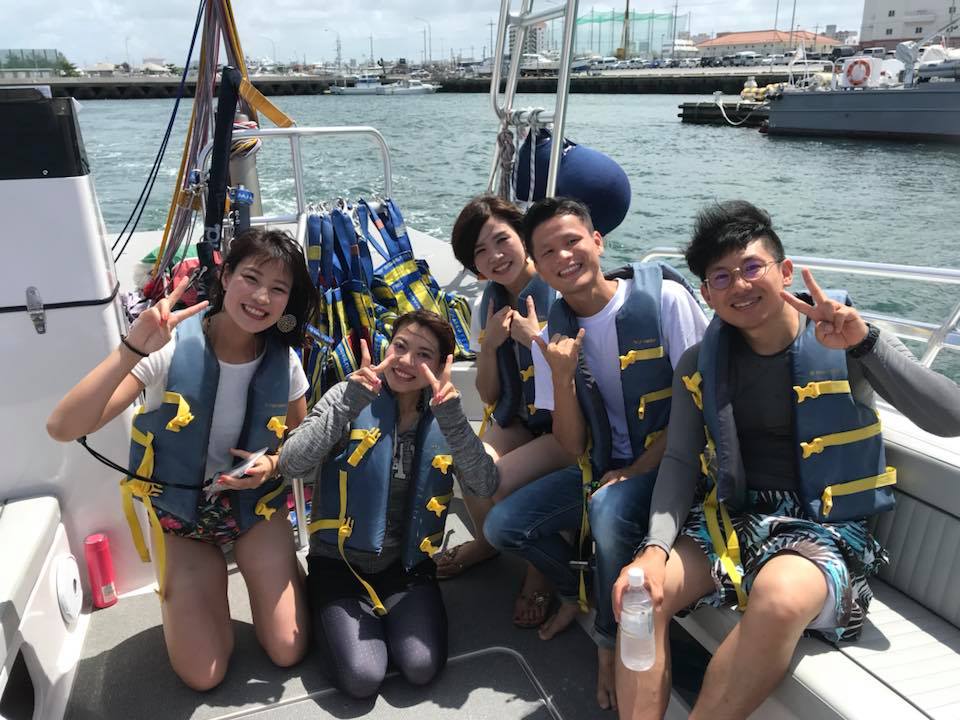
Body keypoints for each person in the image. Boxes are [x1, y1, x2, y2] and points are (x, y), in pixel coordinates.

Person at [613, 200, 960, 720]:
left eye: (752, 267)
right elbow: (681, 461)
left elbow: (951, 417)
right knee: (642, 595)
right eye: (721, 276)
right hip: (735, 519)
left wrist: (866, 344)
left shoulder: (843, 338)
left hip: (827, 527)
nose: (740, 284)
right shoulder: (698, 364)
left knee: (777, 598)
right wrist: (653, 551)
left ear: (786, 271)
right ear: (707, 294)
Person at [47, 228, 317, 690]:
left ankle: (274, 575)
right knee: (203, 675)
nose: (261, 297)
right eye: (251, 278)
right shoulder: (168, 349)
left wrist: (272, 466)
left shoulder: (285, 361)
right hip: (182, 518)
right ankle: (198, 595)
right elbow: (63, 427)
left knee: (287, 650)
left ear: (288, 301)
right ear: (225, 277)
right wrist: (132, 347)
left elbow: (298, 438)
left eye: (278, 289)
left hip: (256, 511)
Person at [483, 197, 708, 710]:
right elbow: (571, 444)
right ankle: (574, 591)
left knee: (608, 507)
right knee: (504, 526)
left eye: (572, 241)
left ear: (598, 241)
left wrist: (636, 470)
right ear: (538, 266)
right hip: (603, 470)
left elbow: (699, 413)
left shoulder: (666, 301)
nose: (563, 257)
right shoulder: (553, 333)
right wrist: (562, 376)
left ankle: (606, 644)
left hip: (677, 468)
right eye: (548, 252)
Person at [278, 309, 499, 699]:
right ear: (386, 348)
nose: (407, 361)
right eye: (400, 346)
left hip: (407, 567)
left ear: (441, 366)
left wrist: (452, 420)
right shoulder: (350, 393)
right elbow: (291, 462)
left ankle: (383, 621)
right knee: (362, 677)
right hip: (339, 564)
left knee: (421, 666)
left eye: (423, 354)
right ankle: (326, 607)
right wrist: (349, 403)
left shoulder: (443, 412)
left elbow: (484, 484)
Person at [445, 194, 575, 628]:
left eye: (502, 240)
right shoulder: (490, 303)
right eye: (480, 251)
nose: (495, 256)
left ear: (523, 236)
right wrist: (490, 346)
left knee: (500, 481)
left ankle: (542, 574)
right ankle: (488, 543)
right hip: (520, 420)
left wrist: (534, 340)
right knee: (470, 465)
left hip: (565, 428)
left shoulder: (560, 292)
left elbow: (583, 382)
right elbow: (488, 395)